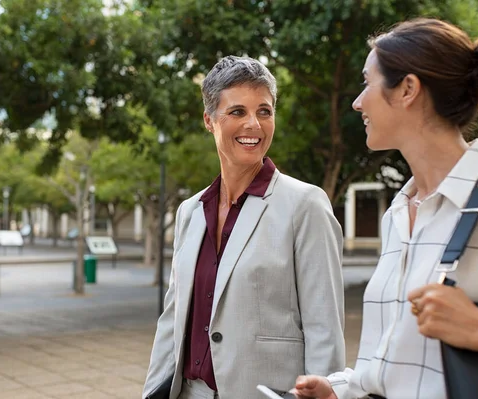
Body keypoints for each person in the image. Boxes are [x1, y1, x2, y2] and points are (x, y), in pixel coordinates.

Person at [292, 18, 478, 399]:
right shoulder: (398, 213)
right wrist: (339, 389)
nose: (357, 102)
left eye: (367, 82)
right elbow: (394, 362)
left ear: (407, 89)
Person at [143, 55, 345, 399]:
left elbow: (324, 330)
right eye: (237, 112)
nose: (254, 124)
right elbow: (172, 322)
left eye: (264, 111)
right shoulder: (190, 212)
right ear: (209, 120)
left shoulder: (305, 205)